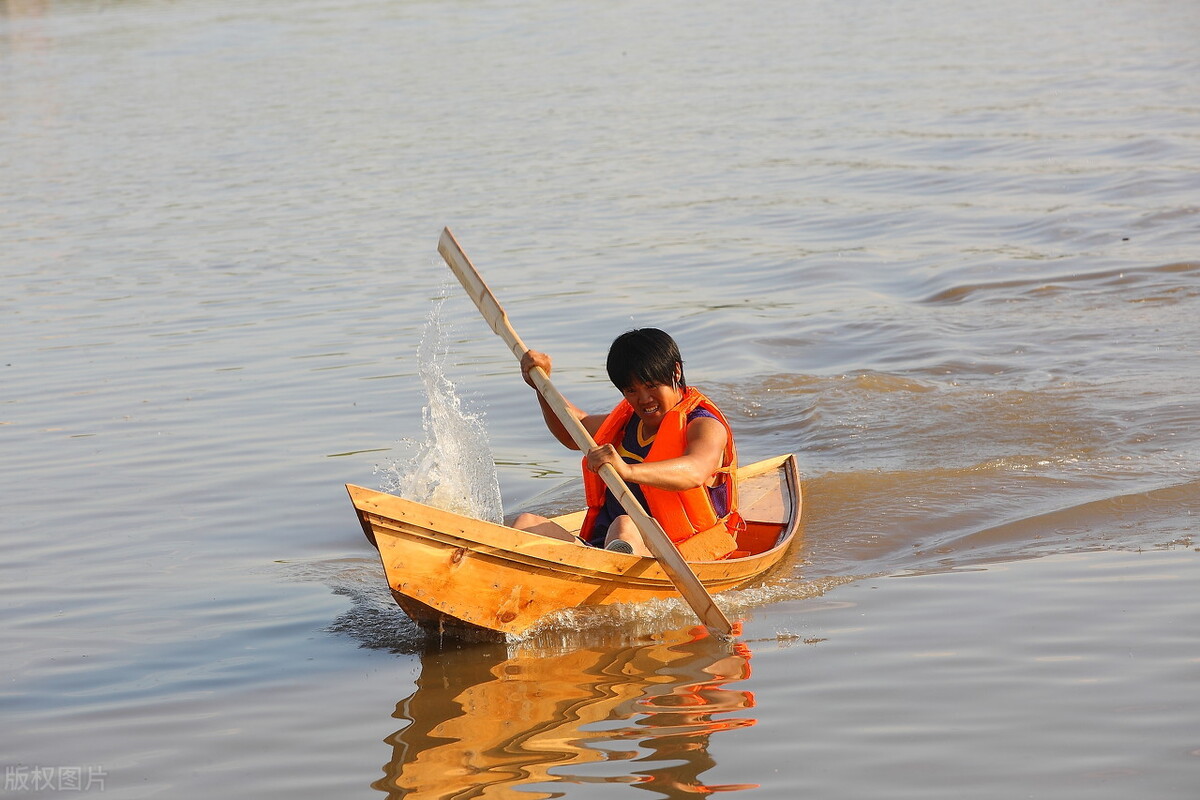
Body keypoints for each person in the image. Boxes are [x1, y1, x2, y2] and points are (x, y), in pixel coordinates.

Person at [512, 328, 743, 561]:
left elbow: (695, 471)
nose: (644, 399)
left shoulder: (704, 425)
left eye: (651, 385)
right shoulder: (628, 423)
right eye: (632, 391)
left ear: (676, 371)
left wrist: (627, 470)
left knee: (624, 525)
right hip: (604, 549)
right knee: (525, 523)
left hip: (678, 555)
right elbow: (574, 431)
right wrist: (541, 386)